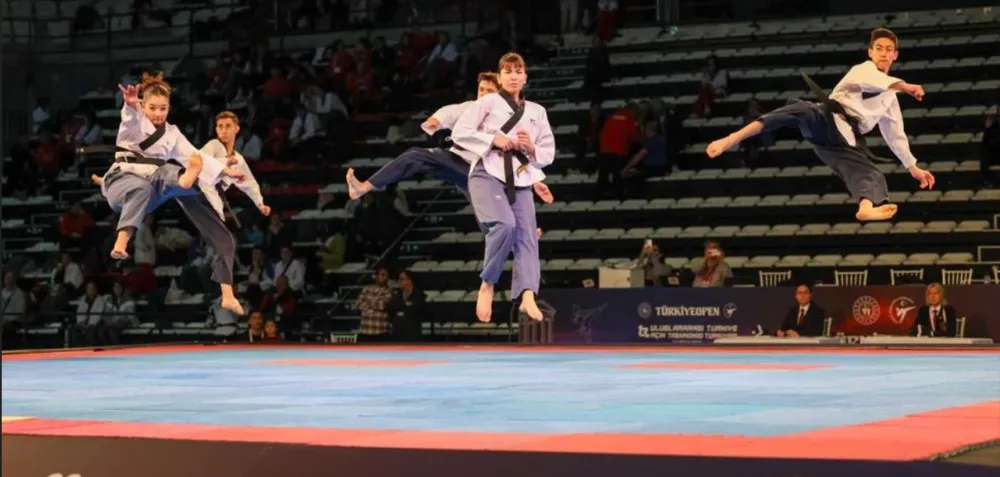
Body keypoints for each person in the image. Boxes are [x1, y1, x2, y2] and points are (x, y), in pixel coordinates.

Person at [705, 28, 936, 222]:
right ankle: (732, 138)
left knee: (871, 173)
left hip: (843, 142)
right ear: (870, 52)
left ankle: (865, 208)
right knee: (800, 109)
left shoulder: (890, 100)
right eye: (879, 48)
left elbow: (895, 134)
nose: (883, 53)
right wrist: (906, 86)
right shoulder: (863, 69)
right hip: (827, 117)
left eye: (888, 50)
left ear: (895, 55)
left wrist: (913, 168)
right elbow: (876, 81)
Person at [92, 72, 246, 313]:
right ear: (143, 105)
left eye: (163, 108)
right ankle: (122, 239)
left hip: (156, 188)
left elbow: (197, 156)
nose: (158, 113)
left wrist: (226, 172)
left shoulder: (172, 134)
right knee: (147, 183)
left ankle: (227, 292)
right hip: (124, 184)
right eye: (152, 108)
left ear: (169, 108)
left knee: (189, 182)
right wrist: (130, 104)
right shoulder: (135, 121)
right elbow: (130, 117)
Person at [450, 52, 556, 322]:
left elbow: (547, 153)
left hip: (520, 178)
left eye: (518, 71)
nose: (513, 76)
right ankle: (488, 283)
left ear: (525, 77)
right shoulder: (488, 102)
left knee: (528, 237)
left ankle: (527, 296)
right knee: (505, 225)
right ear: (499, 77)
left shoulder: (537, 112)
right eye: (508, 72)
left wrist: (532, 148)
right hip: (487, 172)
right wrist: (493, 139)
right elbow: (460, 132)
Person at [345, 72, 554, 205]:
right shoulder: (470, 107)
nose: (483, 94)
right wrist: (435, 121)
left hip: (485, 171)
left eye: (489, 91)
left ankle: (523, 237)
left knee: (491, 218)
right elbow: (449, 112)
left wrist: (537, 180)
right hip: (456, 161)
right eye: (481, 89)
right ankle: (364, 187)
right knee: (416, 155)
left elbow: (519, 154)